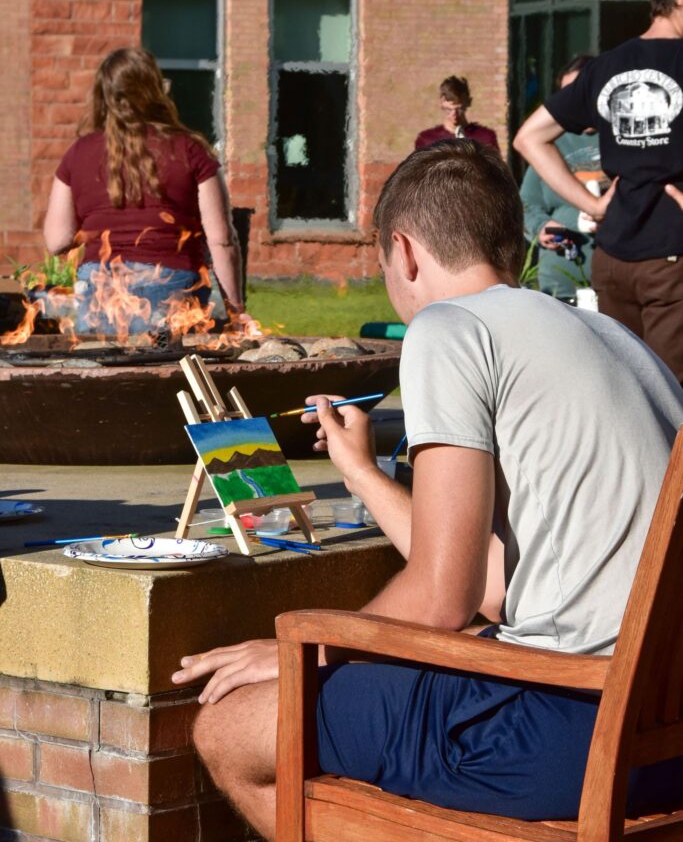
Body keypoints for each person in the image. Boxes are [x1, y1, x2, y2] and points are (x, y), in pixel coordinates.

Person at [171, 139, 683, 840]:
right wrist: (364, 476)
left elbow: (442, 599)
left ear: (404, 252)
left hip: (569, 728)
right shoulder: (616, 341)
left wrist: (299, 655)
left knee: (232, 730)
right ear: (511, 241)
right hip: (661, 738)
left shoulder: (449, 328)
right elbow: (487, 586)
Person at [513, 0, 683, 382]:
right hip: (672, 255)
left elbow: (529, 138)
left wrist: (592, 204)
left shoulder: (607, 66)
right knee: (674, 398)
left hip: (611, 258)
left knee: (628, 393)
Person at [43, 47, 245, 334]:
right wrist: (236, 312)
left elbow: (56, 240)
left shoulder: (78, 153)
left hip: (102, 292)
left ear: (103, 95)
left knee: (102, 369)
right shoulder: (191, 150)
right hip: (174, 292)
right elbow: (222, 241)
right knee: (173, 373)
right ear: (156, 89)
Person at [520, 55, 603, 300]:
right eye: (565, 94)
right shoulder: (547, 142)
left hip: (616, 279)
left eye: (578, 91)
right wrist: (540, 227)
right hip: (560, 281)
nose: (572, 102)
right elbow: (526, 204)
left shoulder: (624, 137)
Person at [414, 74, 499, 152]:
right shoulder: (427, 140)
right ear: (441, 104)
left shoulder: (485, 138)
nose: (454, 114)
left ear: (468, 102)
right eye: (449, 109)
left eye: (459, 109)